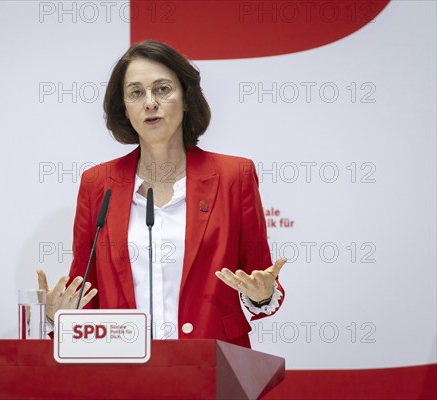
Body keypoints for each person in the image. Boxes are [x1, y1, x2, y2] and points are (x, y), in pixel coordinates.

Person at [37, 40, 286, 348]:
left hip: (214, 366)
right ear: (125, 108)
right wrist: (55, 316)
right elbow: (83, 291)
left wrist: (262, 295)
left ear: (185, 99)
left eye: (163, 89)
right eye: (136, 93)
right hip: (123, 370)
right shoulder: (98, 183)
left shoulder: (235, 176)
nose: (150, 103)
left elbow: (259, 276)